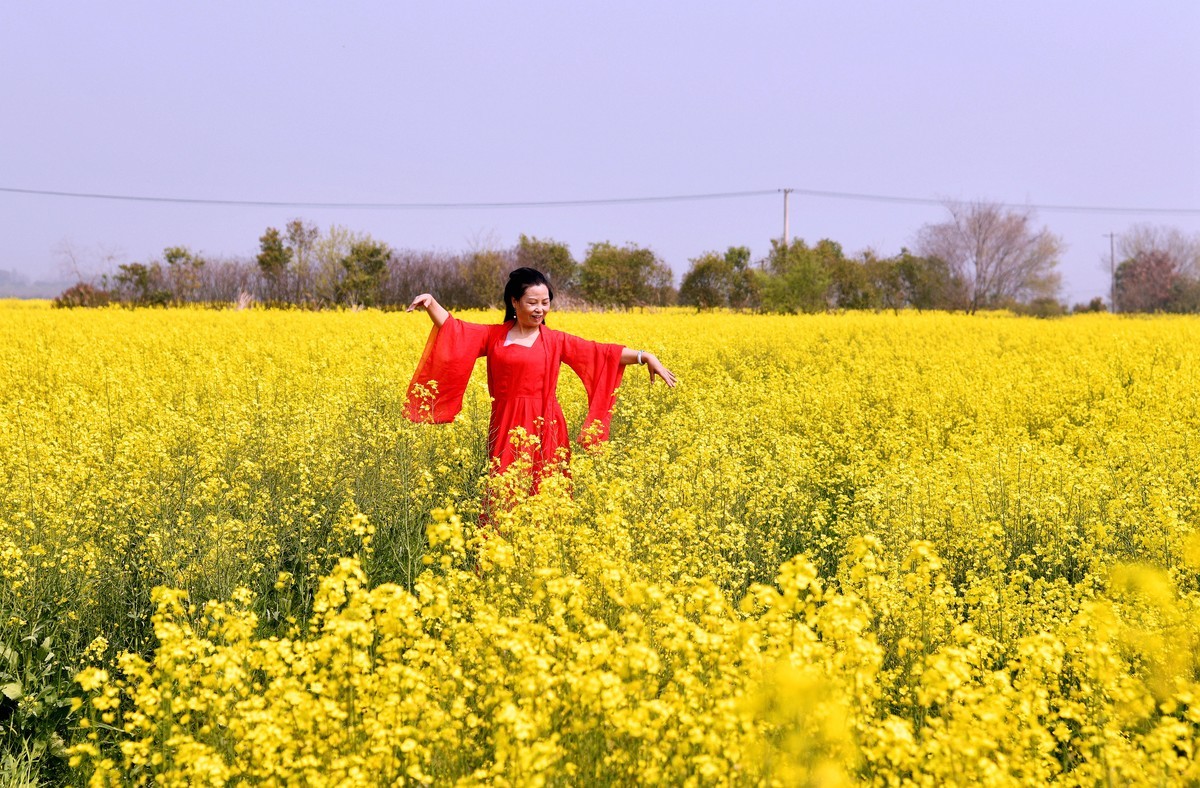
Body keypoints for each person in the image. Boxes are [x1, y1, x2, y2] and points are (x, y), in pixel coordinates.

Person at [405, 268, 676, 487]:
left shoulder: (555, 340)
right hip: (505, 424)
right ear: (514, 302)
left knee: (546, 492)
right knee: (504, 490)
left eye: (545, 303)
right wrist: (431, 302)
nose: (540, 309)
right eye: (532, 302)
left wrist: (645, 356)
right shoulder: (494, 336)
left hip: (547, 428)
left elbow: (601, 353)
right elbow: (456, 331)